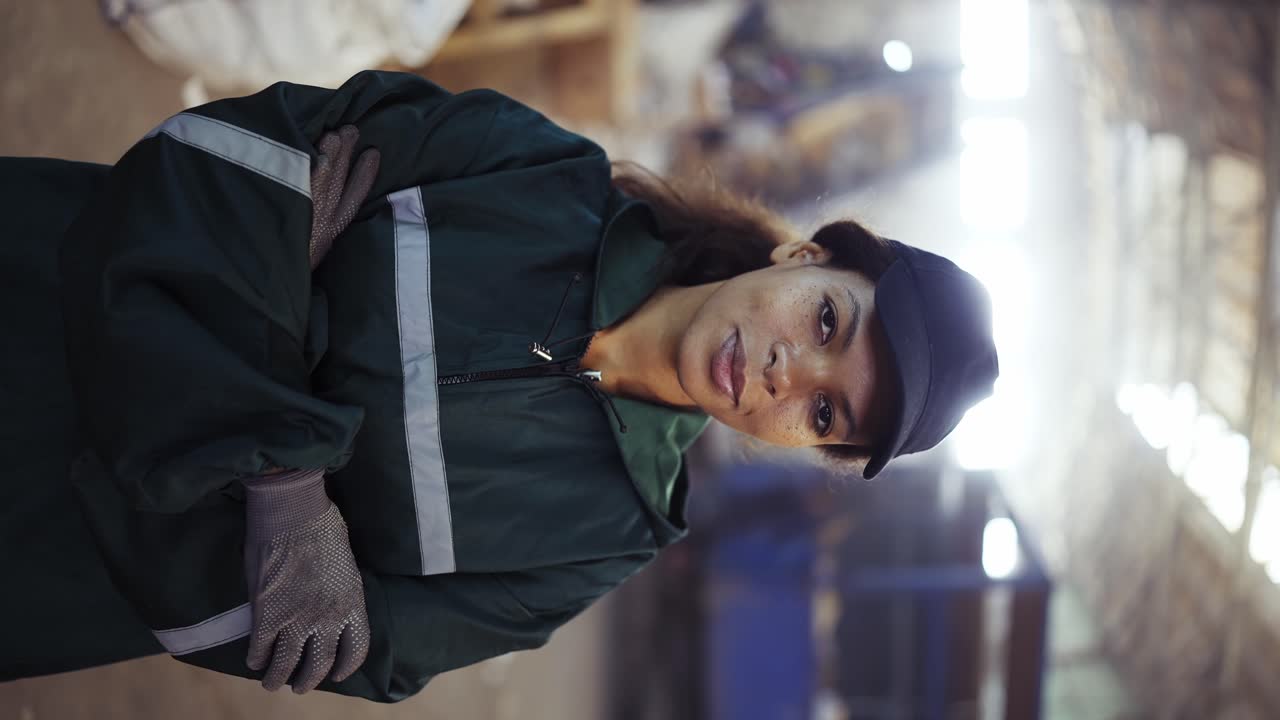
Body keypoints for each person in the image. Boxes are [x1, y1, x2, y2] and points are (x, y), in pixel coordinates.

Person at [0, 70, 997, 702]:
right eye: (825, 323)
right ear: (802, 255)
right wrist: (287, 491)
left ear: (804, 448)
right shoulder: (540, 174)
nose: (786, 374)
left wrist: (282, 286)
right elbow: (236, 159)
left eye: (823, 412)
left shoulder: (602, 538)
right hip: (38, 281)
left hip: (52, 557)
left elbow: (320, 642)